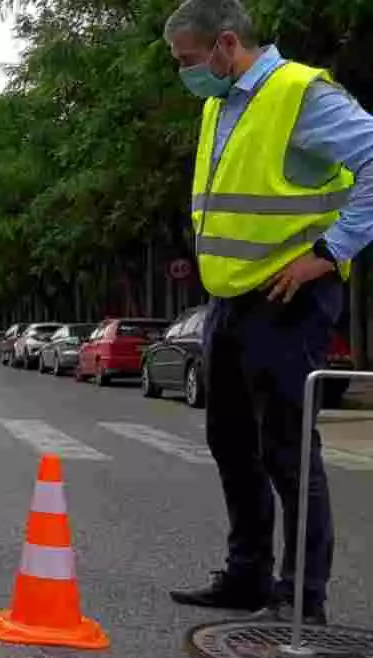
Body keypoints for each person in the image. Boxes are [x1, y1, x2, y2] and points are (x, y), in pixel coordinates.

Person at [164, 0, 373, 625]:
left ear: (227, 45)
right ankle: (246, 576)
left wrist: (329, 252)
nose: (185, 74)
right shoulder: (219, 104)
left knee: (286, 448)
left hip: (289, 296)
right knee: (230, 442)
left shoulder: (299, 92)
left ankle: (303, 599)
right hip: (228, 299)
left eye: (189, 60)